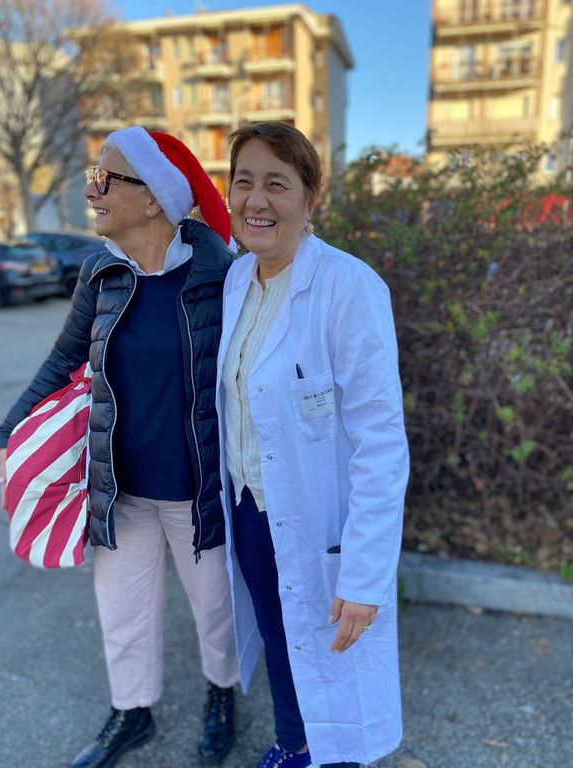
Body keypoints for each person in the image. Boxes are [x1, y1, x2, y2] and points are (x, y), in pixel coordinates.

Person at [0, 127, 239, 768]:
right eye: (93, 176)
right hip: (120, 488)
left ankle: (222, 696)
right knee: (122, 611)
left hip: (197, 491)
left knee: (216, 610)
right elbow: (61, 364)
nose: (91, 191)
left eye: (105, 179)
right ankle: (132, 712)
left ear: (154, 198)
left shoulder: (221, 272)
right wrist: (6, 435)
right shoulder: (100, 272)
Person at [216, 122, 410, 768]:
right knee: (280, 638)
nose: (256, 200)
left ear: (310, 196)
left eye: (277, 183)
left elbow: (381, 440)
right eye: (244, 181)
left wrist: (366, 573)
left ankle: (334, 757)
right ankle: (293, 743)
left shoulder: (348, 287)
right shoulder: (237, 281)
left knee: (335, 656)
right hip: (250, 507)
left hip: (321, 520)